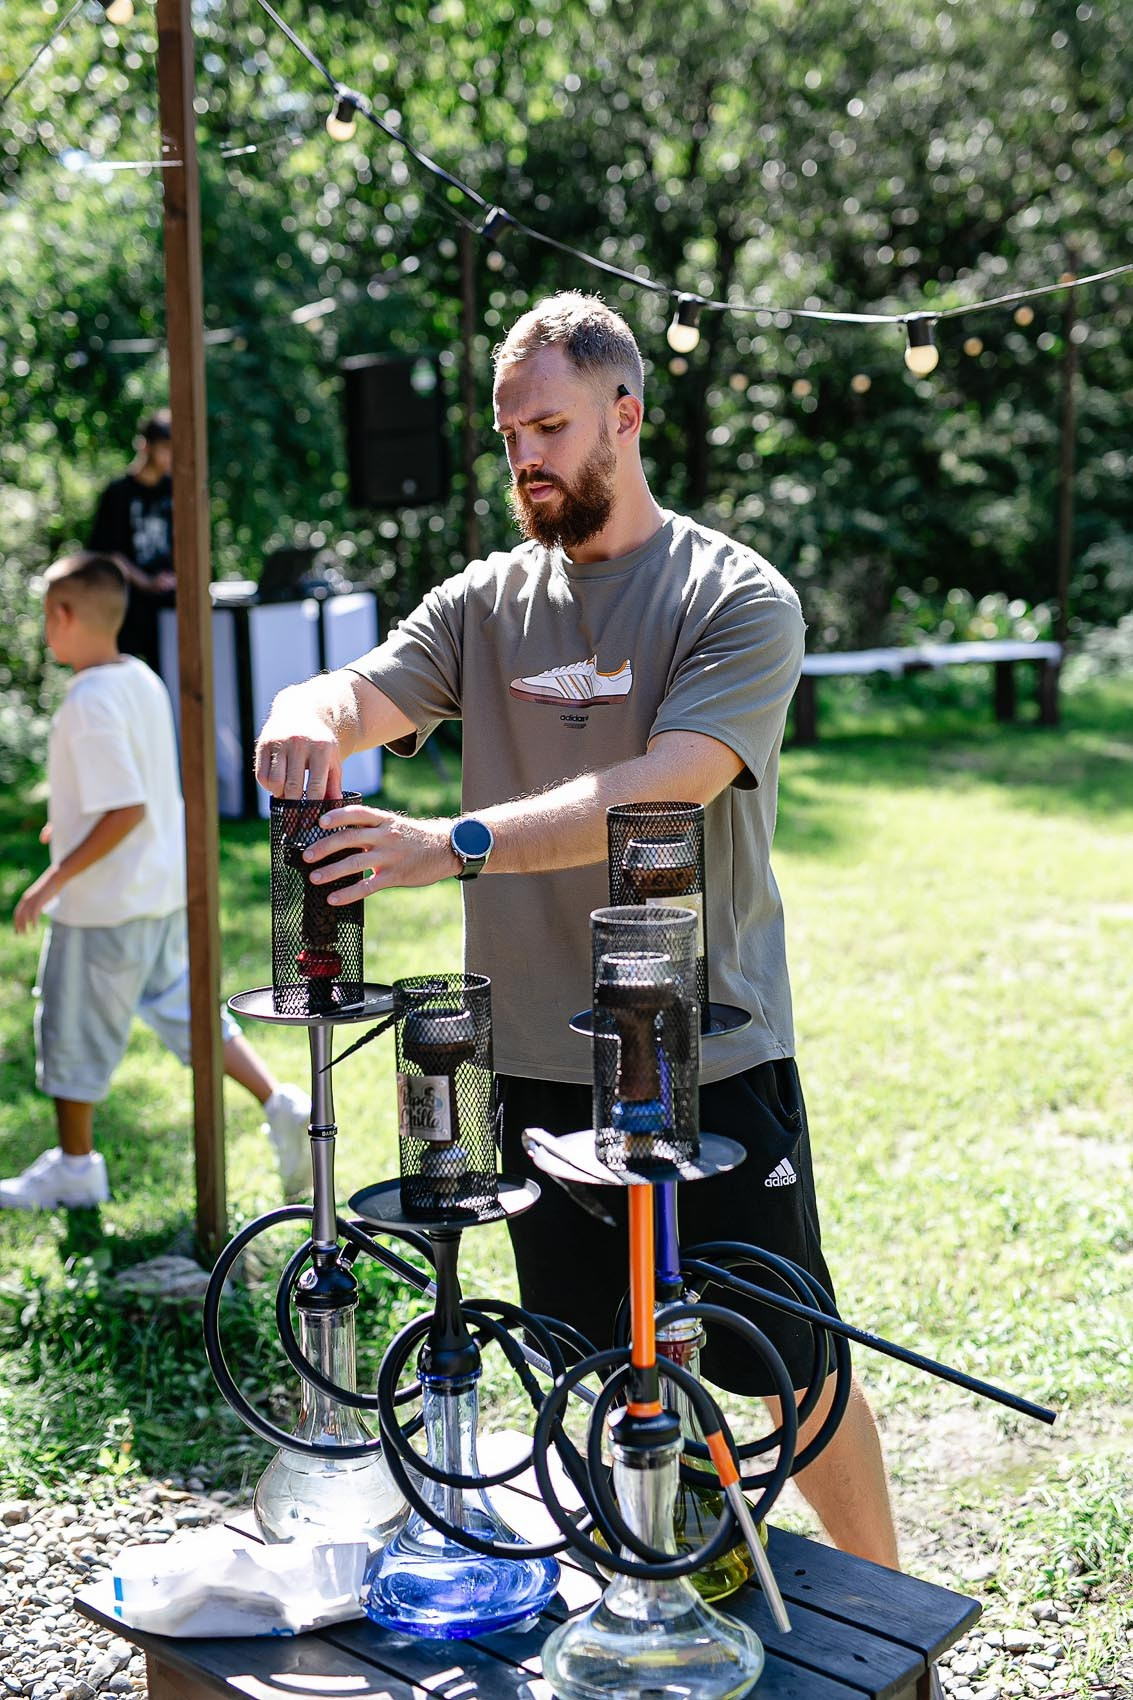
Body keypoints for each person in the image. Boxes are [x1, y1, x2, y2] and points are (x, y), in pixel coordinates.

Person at [254, 292, 900, 1568]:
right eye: (508, 437)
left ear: (624, 415)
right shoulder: (486, 601)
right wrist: (304, 709)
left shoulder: (734, 595)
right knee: (592, 1357)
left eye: (547, 427)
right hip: (536, 1062)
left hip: (701, 1054)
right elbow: (362, 690)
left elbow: (664, 785)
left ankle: (892, 1614)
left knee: (786, 1358)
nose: (525, 458)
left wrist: (450, 842)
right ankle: (663, 1568)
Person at [2, 553, 310, 1212]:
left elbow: (125, 807)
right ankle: (281, 1103)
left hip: (102, 908)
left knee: (70, 1031)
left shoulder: (86, 701)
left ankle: (77, 1170)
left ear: (64, 616)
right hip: (158, 894)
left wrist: (51, 881)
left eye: (46, 616)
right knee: (187, 1013)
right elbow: (127, 785)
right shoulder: (139, 677)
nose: (44, 629)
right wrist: (68, 824)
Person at [88, 409, 176, 674]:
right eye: (165, 448)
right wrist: (147, 582)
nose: (170, 456)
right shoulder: (118, 494)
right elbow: (107, 553)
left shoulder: (177, 491)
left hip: (170, 610)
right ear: (146, 446)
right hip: (127, 611)